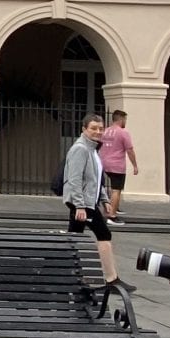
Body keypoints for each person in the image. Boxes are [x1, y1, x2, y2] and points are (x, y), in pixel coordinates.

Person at [63, 113, 135, 293]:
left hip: (87, 202)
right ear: (84, 129)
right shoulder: (80, 149)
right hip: (83, 204)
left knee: (74, 237)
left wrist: (103, 199)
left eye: (100, 128)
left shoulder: (93, 149)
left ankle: (69, 275)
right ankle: (111, 279)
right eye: (93, 128)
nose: (97, 132)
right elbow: (74, 180)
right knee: (104, 233)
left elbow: (96, 179)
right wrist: (79, 205)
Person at [98, 109, 138, 224]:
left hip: (103, 162)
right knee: (116, 189)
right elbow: (130, 150)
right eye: (125, 119)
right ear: (121, 119)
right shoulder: (123, 133)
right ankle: (112, 215)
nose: (125, 122)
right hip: (117, 164)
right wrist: (135, 165)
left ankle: (112, 207)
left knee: (107, 187)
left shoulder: (105, 131)